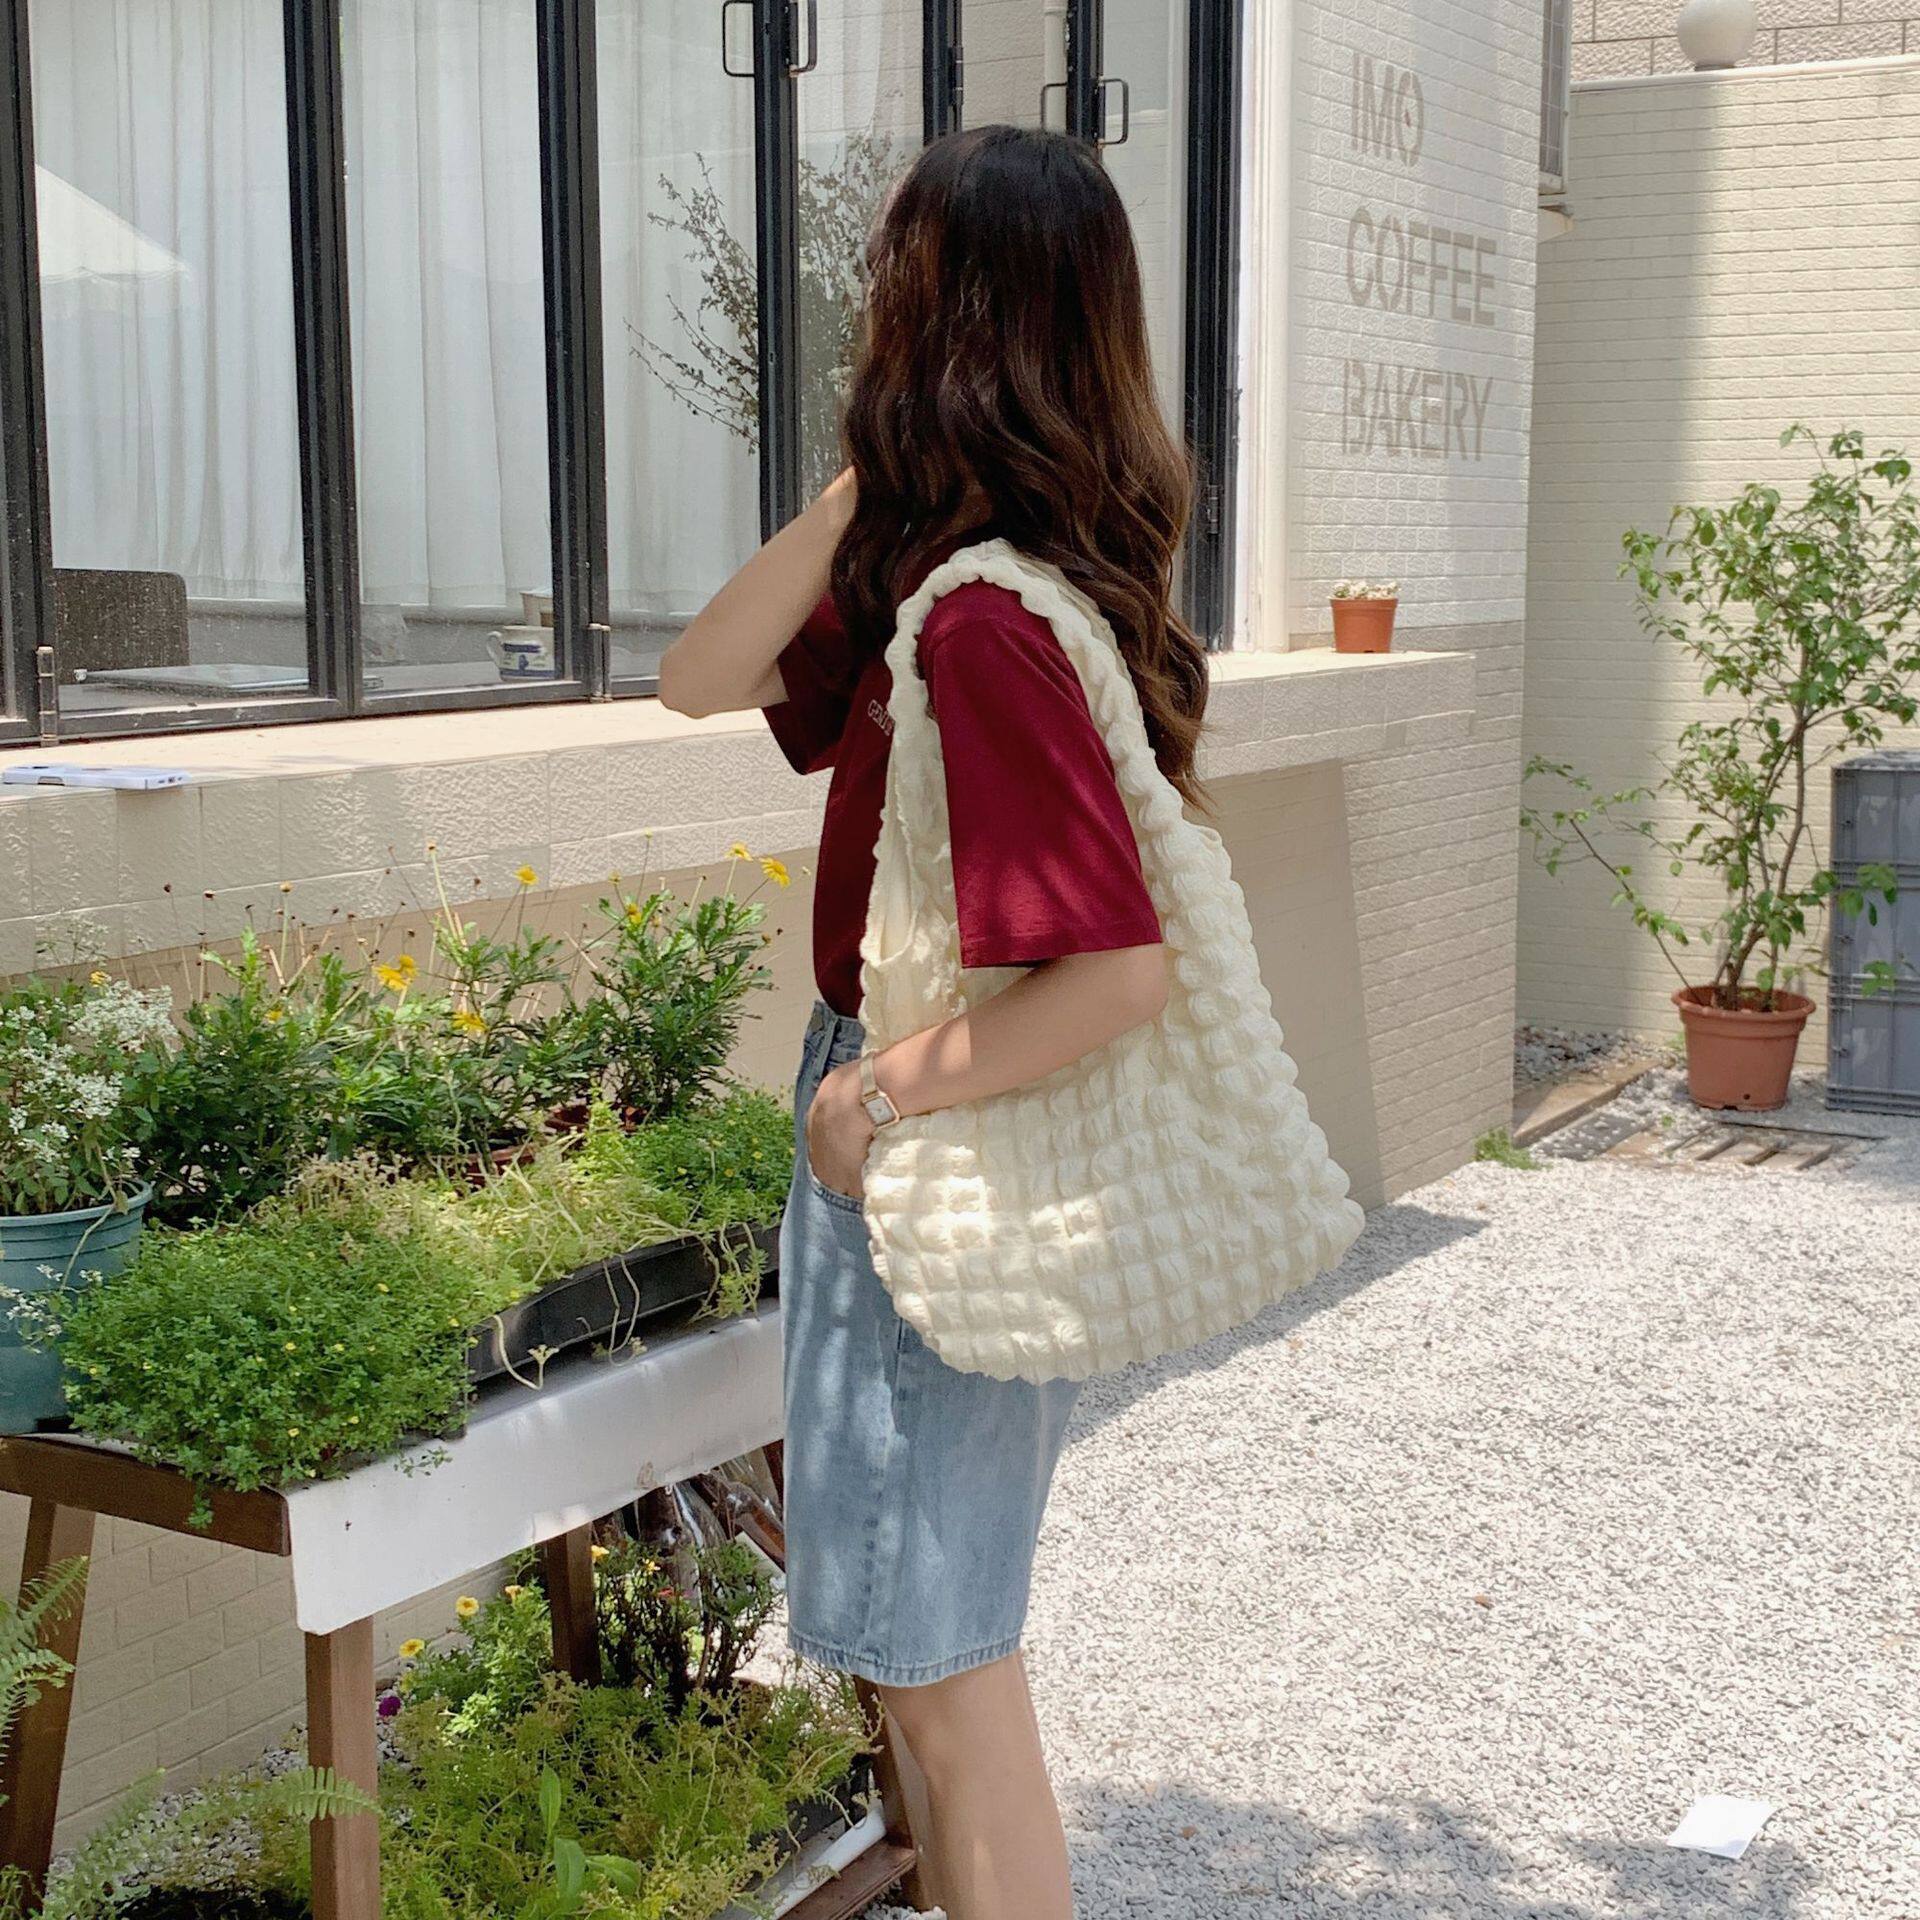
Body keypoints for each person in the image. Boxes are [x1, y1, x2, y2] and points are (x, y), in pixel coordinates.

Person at [659, 124, 1218, 1920]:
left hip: (927, 1121)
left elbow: (1115, 968)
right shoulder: (970, 584)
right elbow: (697, 676)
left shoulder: (979, 627)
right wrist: (872, 481)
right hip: (946, 1113)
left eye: (889, 292)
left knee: (945, 1677)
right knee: (945, 1663)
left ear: (938, 321)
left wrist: (872, 1102)